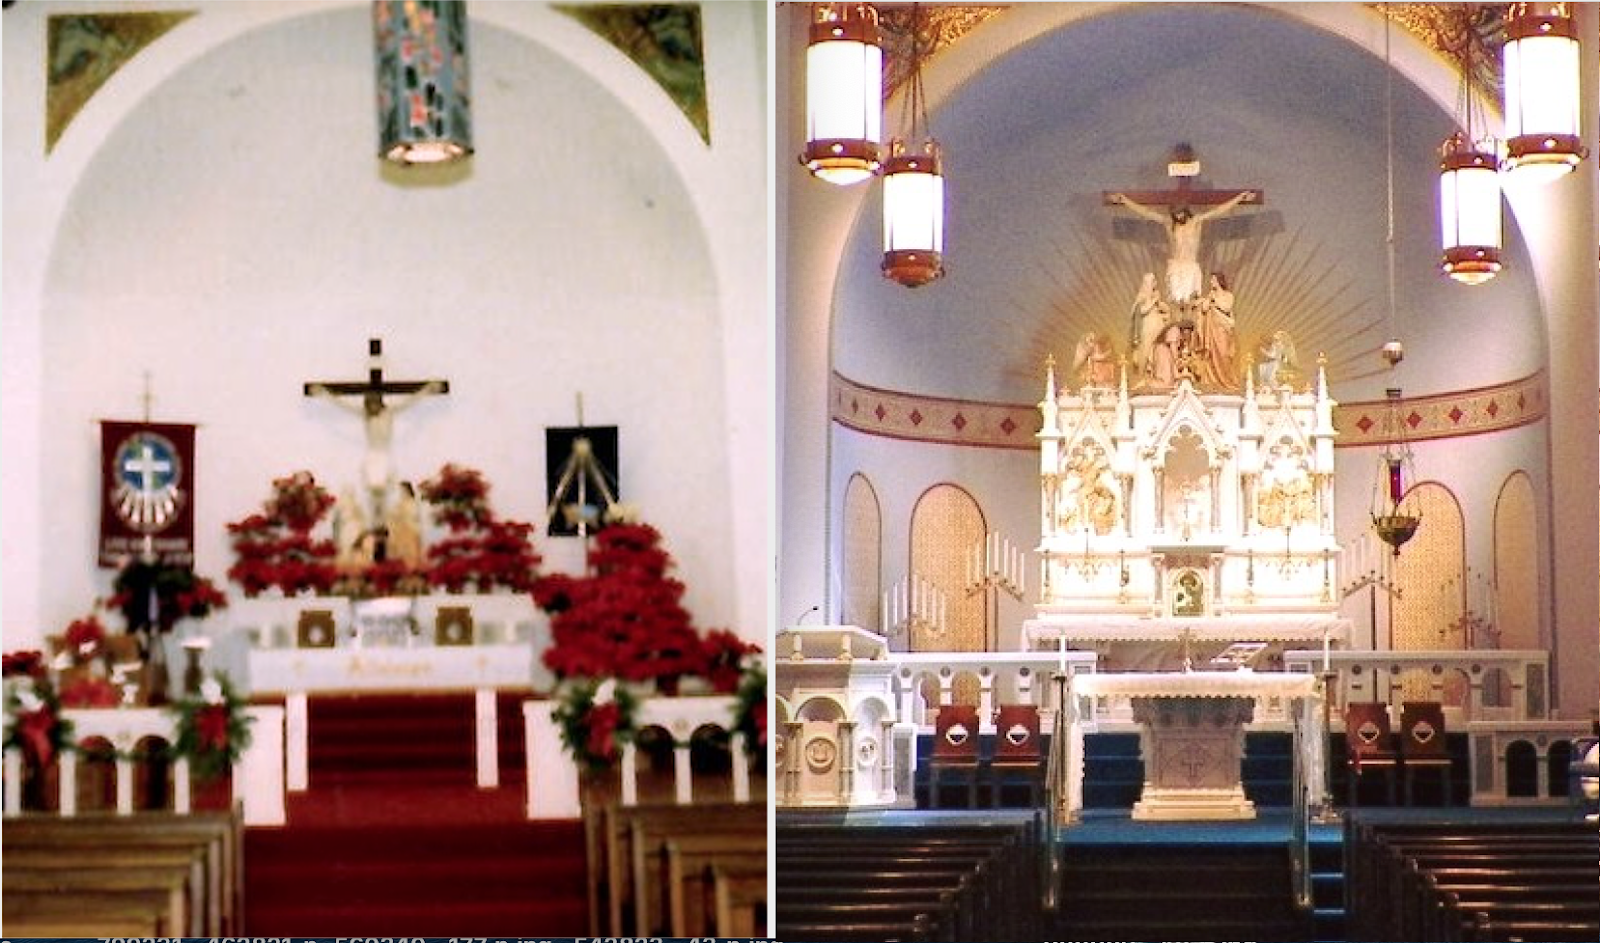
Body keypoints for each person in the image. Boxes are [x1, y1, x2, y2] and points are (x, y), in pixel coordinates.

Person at [307, 379, 444, 520]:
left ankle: (385, 525)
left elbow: (409, 402)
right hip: (373, 457)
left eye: (374, 402)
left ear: (380, 402)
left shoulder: (389, 413)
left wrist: (427, 390)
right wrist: (324, 393)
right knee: (373, 494)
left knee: (387, 493)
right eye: (369, 403)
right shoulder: (365, 415)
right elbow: (343, 405)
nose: (372, 406)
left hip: (385, 455)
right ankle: (375, 525)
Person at [1108, 190, 1254, 302]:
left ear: (1185, 210)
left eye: (1180, 213)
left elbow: (1217, 211)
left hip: (1190, 265)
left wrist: (1239, 199)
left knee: (1192, 301)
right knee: (1176, 302)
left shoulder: (1196, 222)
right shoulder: (1169, 223)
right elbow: (1147, 213)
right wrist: (1124, 200)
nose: (1178, 217)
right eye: (1175, 214)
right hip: (1176, 266)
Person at [1197, 272, 1238, 388]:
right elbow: (1204, 309)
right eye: (1211, 280)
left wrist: (1215, 301)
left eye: (1213, 280)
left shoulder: (1228, 295)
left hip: (1223, 328)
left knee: (1224, 354)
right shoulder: (1211, 295)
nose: (1211, 282)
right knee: (1211, 355)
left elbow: (1227, 307)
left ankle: (1227, 381)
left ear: (1219, 281)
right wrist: (1209, 299)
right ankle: (1213, 381)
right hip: (1212, 329)